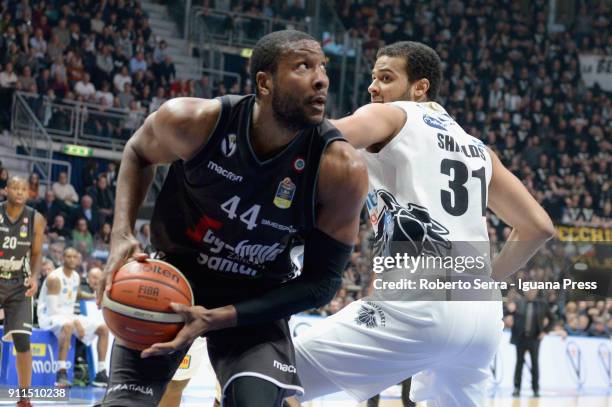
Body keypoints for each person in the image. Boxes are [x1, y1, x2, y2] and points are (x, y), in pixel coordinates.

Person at [95, 29, 368, 407]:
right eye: (303, 66)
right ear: (264, 81)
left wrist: (217, 317)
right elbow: (138, 152)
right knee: (125, 403)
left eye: (323, 67)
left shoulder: (340, 168)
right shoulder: (194, 121)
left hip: (256, 300)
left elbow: (322, 283)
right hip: (174, 280)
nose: (321, 78)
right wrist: (121, 233)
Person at [288, 41, 555, 407]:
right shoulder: (477, 147)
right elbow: (539, 226)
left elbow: (317, 140)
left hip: (416, 306)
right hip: (481, 317)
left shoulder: (392, 115)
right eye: (373, 78)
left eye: (386, 77)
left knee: (269, 377)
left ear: (420, 87)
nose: (373, 87)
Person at [0, 176, 46, 407]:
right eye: (15, 187)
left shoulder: (36, 219)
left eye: (23, 189)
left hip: (20, 283)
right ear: (5, 189)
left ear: (29, 193)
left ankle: (24, 398)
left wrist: (36, 277)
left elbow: (36, 254)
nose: (19, 192)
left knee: (22, 340)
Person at [37, 247, 109, 388]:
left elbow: (77, 294)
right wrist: (75, 321)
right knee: (68, 325)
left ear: (78, 259)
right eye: (68, 256)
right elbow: (53, 310)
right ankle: (61, 373)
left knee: (103, 329)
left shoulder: (76, 276)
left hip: (68, 316)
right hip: (48, 317)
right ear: (63, 258)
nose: (71, 259)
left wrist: (95, 297)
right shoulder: (54, 278)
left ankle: (101, 374)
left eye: (74, 257)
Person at [510, 288, 553, 397]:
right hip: (521, 338)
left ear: (536, 291)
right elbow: (506, 313)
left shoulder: (542, 304)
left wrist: (545, 331)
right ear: (524, 291)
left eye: (533, 290)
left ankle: (535, 389)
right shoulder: (518, 303)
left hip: (535, 339)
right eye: (528, 290)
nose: (530, 292)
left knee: (535, 364)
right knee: (519, 363)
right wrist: (510, 312)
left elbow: (553, 319)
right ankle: (516, 388)